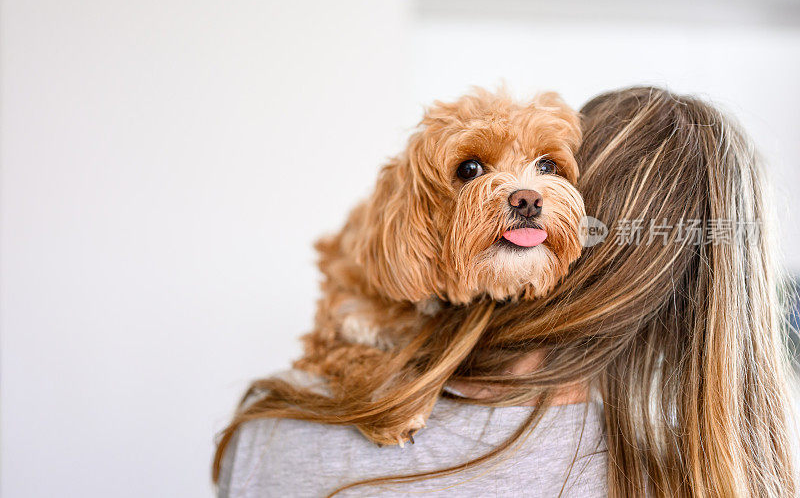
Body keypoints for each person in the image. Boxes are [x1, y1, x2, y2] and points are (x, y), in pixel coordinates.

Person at [214, 87, 798, 497]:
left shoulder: (275, 426)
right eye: (471, 170)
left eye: (550, 165)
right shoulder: (723, 475)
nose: (525, 192)